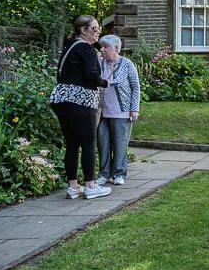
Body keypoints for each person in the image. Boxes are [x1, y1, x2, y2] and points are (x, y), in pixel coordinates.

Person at [49, 15, 112, 200]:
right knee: (88, 142)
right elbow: (91, 75)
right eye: (94, 29)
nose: (98, 32)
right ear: (83, 30)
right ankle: (91, 186)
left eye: (99, 29)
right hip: (81, 100)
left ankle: (73, 187)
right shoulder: (86, 48)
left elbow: (62, 74)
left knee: (72, 144)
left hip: (61, 99)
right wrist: (104, 82)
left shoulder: (70, 47)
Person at [95, 34, 141, 186]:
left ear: (116, 48)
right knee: (103, 144)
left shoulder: (127, 64)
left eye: (105, 46)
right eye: (101, 46)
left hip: (121, 112)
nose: (102, 49)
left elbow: (135, 87)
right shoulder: (99, 62)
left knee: (120, 145)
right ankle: (103, 174)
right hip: (101, 112)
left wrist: (134, 109)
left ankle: (119, 174)